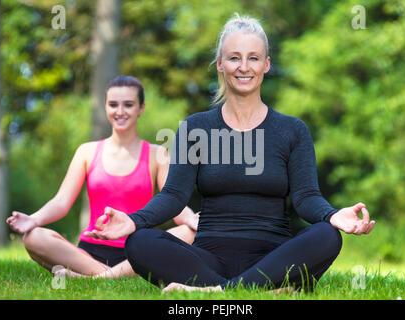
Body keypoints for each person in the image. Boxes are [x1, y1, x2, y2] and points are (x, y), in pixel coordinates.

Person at [86, 14, 375, 292]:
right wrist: (134, 220)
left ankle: (216, 290)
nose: (244, 67)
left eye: (253, 58)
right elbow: (173, 196)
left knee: (326, 235)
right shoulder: (195, 128)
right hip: (208, 258)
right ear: (220, 64)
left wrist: (333, 215)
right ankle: (262, 289)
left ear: (266, 65)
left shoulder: (292, 130)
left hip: (272, 257)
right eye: (234, 57)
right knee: (140, 242)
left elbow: (306, 198)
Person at [6, 75, 199, 279]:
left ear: (141, 108)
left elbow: (172, 200)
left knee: (190, 232)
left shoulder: (157, 155)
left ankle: (97, 278)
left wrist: (192, 219)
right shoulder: (87, 152)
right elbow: (62, 201)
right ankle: (118, 276)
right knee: (34, 237)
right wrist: (33, 219)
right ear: (105, 107)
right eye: (113, 104)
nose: (120, 111)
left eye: (128, 105)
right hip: (89, 252)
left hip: (138, 249)